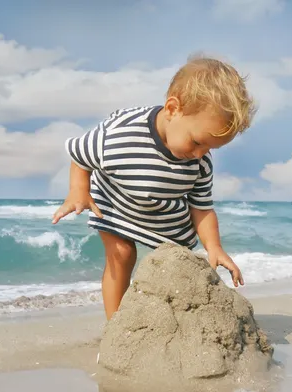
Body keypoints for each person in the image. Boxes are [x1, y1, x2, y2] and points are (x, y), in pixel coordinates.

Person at [52, 54, 257, 320]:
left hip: (165, 215)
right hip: (118, 201)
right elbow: (80, 156)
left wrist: (214, 247)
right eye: (197, 142)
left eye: (210, 148)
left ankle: (168, 318)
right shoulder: (118, 134)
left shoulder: (199, 161)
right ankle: (115, 325)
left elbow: (201, 208)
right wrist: (78, 191)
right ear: (172, 109)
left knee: (176, 266)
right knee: (122, 254)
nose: (201, 154)